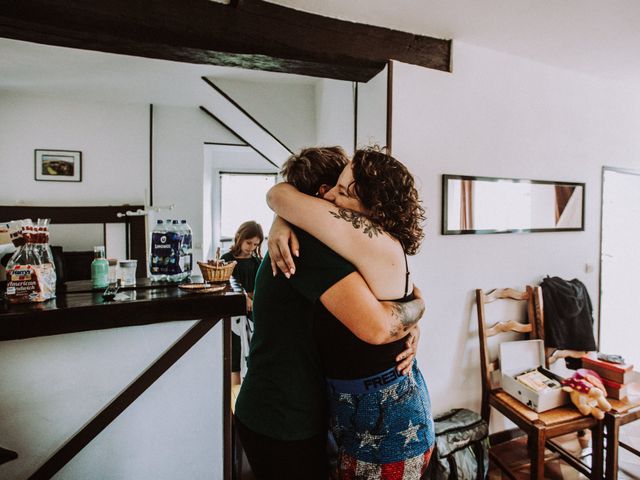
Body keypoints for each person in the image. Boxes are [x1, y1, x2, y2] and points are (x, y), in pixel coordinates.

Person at [234, 147, 425, 480]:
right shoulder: (306, 247)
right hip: (284, 417)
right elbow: (379, 327)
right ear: (320, 195)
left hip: (296, 410)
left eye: (345, 189)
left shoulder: (330, 243)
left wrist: (414, 315)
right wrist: (418, 308)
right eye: (335, 187)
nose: (336, 196)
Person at [221, 220, 264, 386]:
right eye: (249, 242)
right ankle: (234, 391)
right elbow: (225, 287)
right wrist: (243, 297)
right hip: (233, 316)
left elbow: (260, 289)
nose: (251, 247)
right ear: (239, 237)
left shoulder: (256, 262)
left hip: (252, 314)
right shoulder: (227, 260)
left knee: (252, 353)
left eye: (255, 244)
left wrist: (252, 298)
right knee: (234, 354)